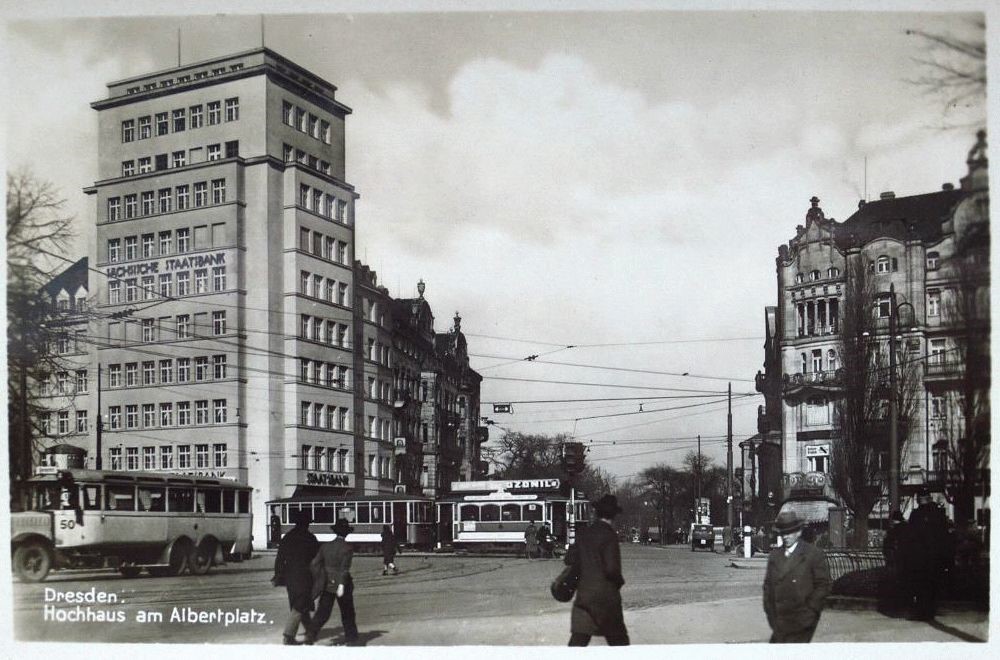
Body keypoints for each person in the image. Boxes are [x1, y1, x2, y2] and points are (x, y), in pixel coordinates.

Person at [565, 494, 629, 646]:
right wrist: (619, 582)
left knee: (578, 641)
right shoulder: (609, 535)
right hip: (606, 600)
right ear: (613, 515)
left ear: (597, 513)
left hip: (584, 598)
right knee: (619, 643)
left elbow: (569, 559)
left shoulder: (584, 533)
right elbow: (612, 569)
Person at [762, 511, 831, 643]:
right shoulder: (775, 556)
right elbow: (768, 586)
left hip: (802, 620)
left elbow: (823, 585)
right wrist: (770, 612)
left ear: (798, 532)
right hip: (779, 621)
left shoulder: (812, 554)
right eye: (783, 533)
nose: (785, 537)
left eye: (789, 532)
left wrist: (811, 611)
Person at [270, 510, 319, 645]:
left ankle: (311, 632)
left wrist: (278, 575)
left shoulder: (288, 537)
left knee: (300, 604)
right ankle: (289, 635)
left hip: (290, 577)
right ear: (306, 524)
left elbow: (279, 558)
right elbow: (317, 560)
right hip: (305, 576)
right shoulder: (310, 538)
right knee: (300, 605)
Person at [306, 518, 358, 645]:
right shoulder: (348, 548)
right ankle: (351, 638)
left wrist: (319, 577)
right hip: (343, 584)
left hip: (327, 583)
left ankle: (310, 635)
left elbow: (314, 564)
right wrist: (340, 585)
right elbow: (344, 569)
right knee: (347, 612)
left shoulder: (325, 546)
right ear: (346, 533)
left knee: (323, 612)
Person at [905, 489, 950, 621]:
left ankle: (921, 612)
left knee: (920, 585)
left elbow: (911, 537)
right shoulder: (938, 514)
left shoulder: (916, 515)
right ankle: (930, 611)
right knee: (932, 584)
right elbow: (944, 537)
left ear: (920, 499)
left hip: (920, 557)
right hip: (935, 557)